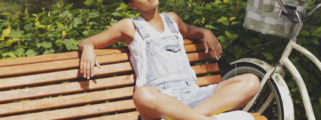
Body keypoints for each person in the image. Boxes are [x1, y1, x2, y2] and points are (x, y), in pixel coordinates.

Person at [78, 0, 261, 119]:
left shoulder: (173, 19)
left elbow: (190, 31)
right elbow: (88, 40)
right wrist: (87, 47)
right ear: (133, 5)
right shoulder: (129, 26)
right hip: (161, 102)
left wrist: (206, 32)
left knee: (250, 81)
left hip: (193, 95)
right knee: (142, 95)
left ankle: (191, 117)